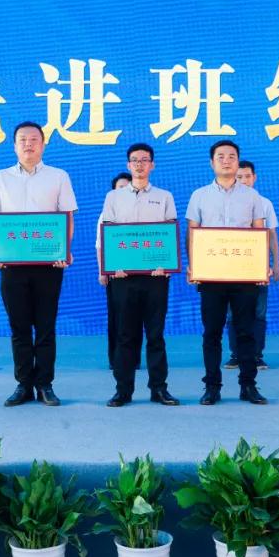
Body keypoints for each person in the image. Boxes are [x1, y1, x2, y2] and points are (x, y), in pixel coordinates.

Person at [0, 121, 77, 407]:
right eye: (22, 139)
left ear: (43, 144)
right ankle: (23, 384)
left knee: (46, 327)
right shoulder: (1, 177)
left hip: (49, 264)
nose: (28, 144)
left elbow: (67, 217)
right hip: (12, 266)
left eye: (34, 139)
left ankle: (45, 384)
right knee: (19, 327)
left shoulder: (58, 176)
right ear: (14, 145)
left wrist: (64, 250)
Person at [186, 140, 267, 405]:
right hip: (211, 276)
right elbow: (192, 233)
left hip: (244, 275)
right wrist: (193, 265)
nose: (226, 160)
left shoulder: (252, 196)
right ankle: (212, 387)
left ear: (238, 161)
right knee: (212, 333)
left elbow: (259, 231)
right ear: (212, 162)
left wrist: (260, 265)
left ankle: (248, 385)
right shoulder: (199, 195)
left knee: (246, 332)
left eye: (232, 156)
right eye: (220, 156)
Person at [99, 143, 178, 407]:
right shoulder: (114, 197)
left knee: (155, 335)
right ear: (128, 165)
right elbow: (109, 232)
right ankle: (123, 390)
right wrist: (112, 265)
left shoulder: (164, 196)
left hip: (156, 277)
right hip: (123, 277)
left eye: (144, 160)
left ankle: (159, 389)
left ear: (152, 165)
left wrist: (166, 264)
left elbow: (169, 233)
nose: (139, 164)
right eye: (135, 160)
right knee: (125, 335)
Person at [223, 160, 279, 370]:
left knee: (258, 312)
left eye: (247, 176)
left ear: (254, 177)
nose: (244, 180)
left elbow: (271, 235)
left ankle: (256, 355)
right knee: (232, 313)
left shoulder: (264, 203)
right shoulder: (226, 202)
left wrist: (275, 263)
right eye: (239, 177)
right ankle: (236, 354)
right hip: (231, 265)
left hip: (258, 266)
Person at [102, 171, 136, 371]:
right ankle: (116, 358)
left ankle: (133, 359)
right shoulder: (107, 212)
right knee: (117, 317)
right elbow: (100, 244)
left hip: (141, 272)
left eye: (127, 187)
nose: (124, 191)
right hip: (116, 272)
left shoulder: (140, 210)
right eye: (120, 188)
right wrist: (103, 271)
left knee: (135, 317)